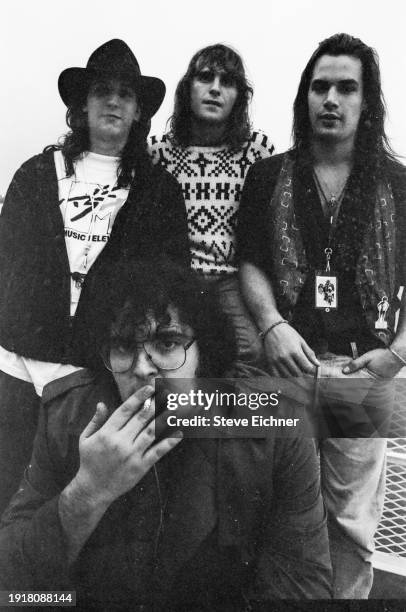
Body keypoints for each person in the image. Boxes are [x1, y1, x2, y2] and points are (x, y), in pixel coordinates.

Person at [0, 259, 332, 607]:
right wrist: (88, 491)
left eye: (167, 343)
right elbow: (12, 585)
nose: (143, 368)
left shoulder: (275, 425)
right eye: (124, 347)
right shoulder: (67, 416)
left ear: (206, 352)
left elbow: (303, 585)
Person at [237, 33, 406, 598]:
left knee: (351, 521)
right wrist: (271, 325)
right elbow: (252, 263)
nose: (330, 99)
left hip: (361, 376)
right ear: (305, 97)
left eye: (346, 87)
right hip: (285, 369)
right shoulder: (268, 176)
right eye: (320, 86)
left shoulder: (398, 185)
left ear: (367, 101)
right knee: (273, 505)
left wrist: (398, 354)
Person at [0, 39, 189, 514]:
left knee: (73, 500)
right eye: (102, 91)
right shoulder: (36, 173)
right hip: (15, 363)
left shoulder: (159, 190)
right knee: (5, 489)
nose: (113, 101)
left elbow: (171, 284)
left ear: (137, 113)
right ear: (81, 106)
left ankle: (55, 591)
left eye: (125, 95)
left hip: (93, 369)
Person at [149, 44, 274, 364]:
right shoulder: (159, 153)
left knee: (249, 349)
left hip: (229, 280)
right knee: (169, 346)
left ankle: (228, 412)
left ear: (239, 98)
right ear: (187, 88)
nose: (215, 89)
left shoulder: (256, 153)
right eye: (205, 77)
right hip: (176, 277)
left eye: (228, 82)